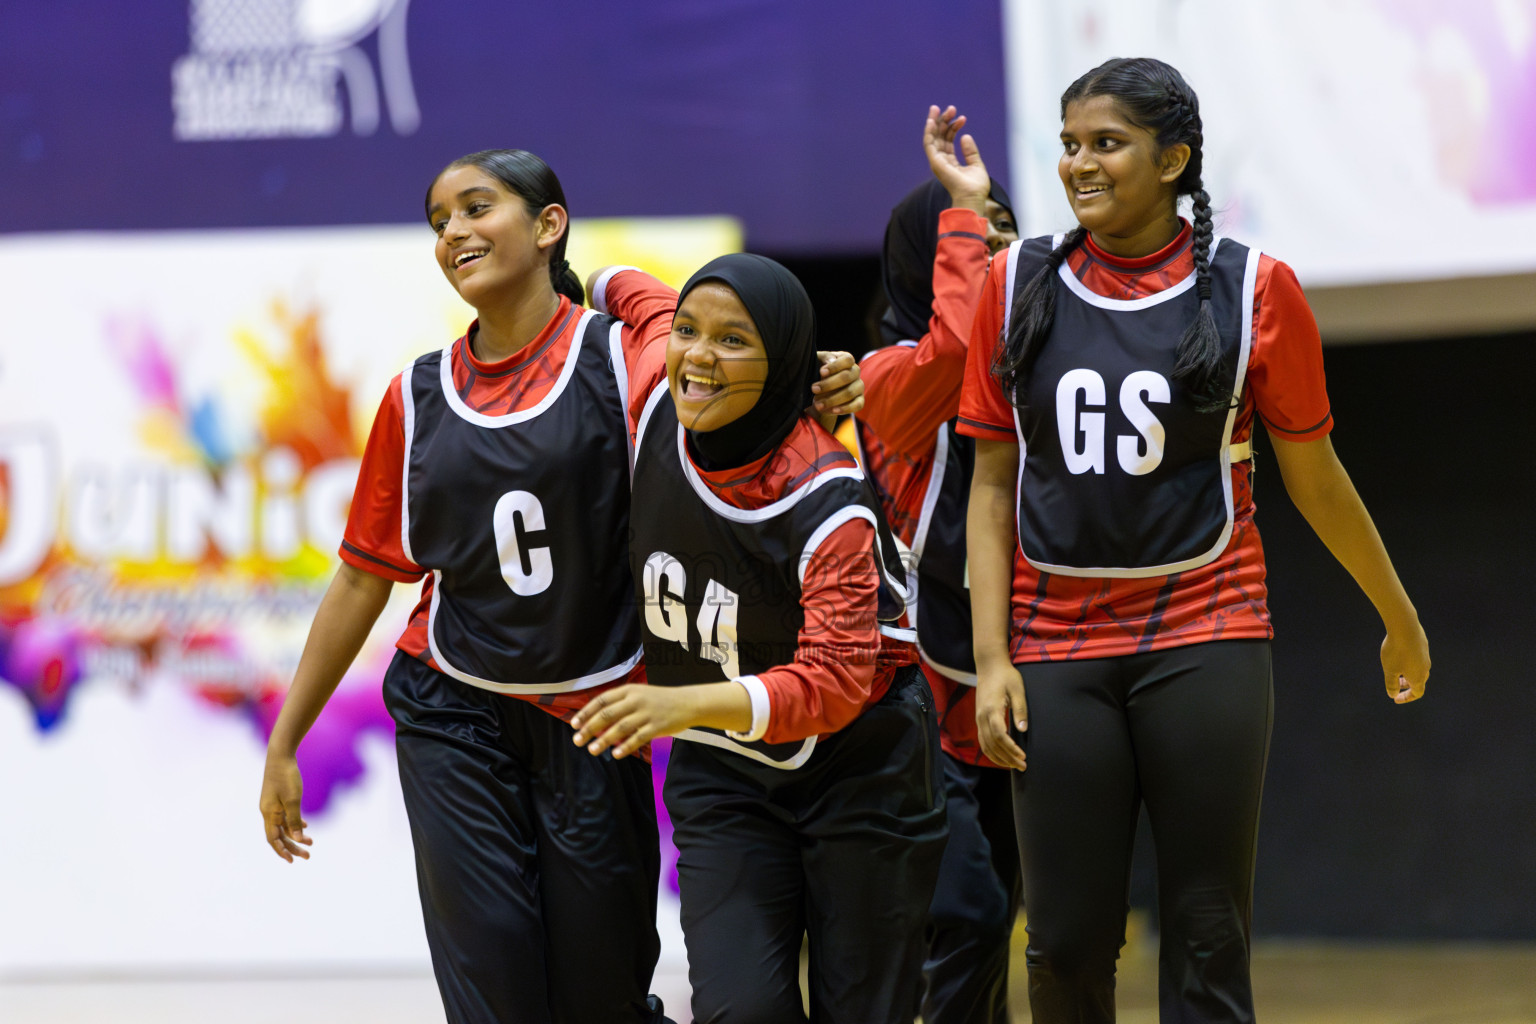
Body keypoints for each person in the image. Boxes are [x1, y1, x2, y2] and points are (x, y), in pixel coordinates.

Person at [256, 149, 866, 1024]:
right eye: (438, 221)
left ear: (549, 225)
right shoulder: (415, 397)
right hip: (453, 708)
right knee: (494, 983)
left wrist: (817, 377)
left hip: (596, 716)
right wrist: (287, 738)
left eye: (476, 208)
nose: (454, 231)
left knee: (598, 998)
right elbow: (362, 576)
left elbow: (721, 372)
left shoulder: (621, 362)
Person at [959, 58, 1431, 1023]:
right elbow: (993, 487)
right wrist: (992, 658)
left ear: (1173, 160)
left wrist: (1398, 614)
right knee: (1064, 943)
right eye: (1070, 144)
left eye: (1107, 143)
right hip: (1055, 648)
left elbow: (1317, 479)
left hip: (1206, 633)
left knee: (1209, 931)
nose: (1078, 164)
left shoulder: (1254, 289)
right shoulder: (1013, 284)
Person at [572, 254, 948, 1023]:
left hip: (863, 765)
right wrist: (590, 278)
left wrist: (680, 705)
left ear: (783, 364)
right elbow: (626, 288)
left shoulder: (827, 496)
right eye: (688, 331)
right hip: (726, 773)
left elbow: (833, 685)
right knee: (739, 1010)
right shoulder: (654, 394)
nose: (699, 355)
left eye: (734, 340)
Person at [853, 105, 1021, 1024]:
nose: (994, 251)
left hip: (1019, 678)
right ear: (932, 257)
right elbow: (958, 347)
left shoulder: (1045, 378)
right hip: (917, 695)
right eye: (968, 236)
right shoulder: (885, 377)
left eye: (1003, 232)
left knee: (1007, 922)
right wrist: (967, 205)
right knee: (968, 914)